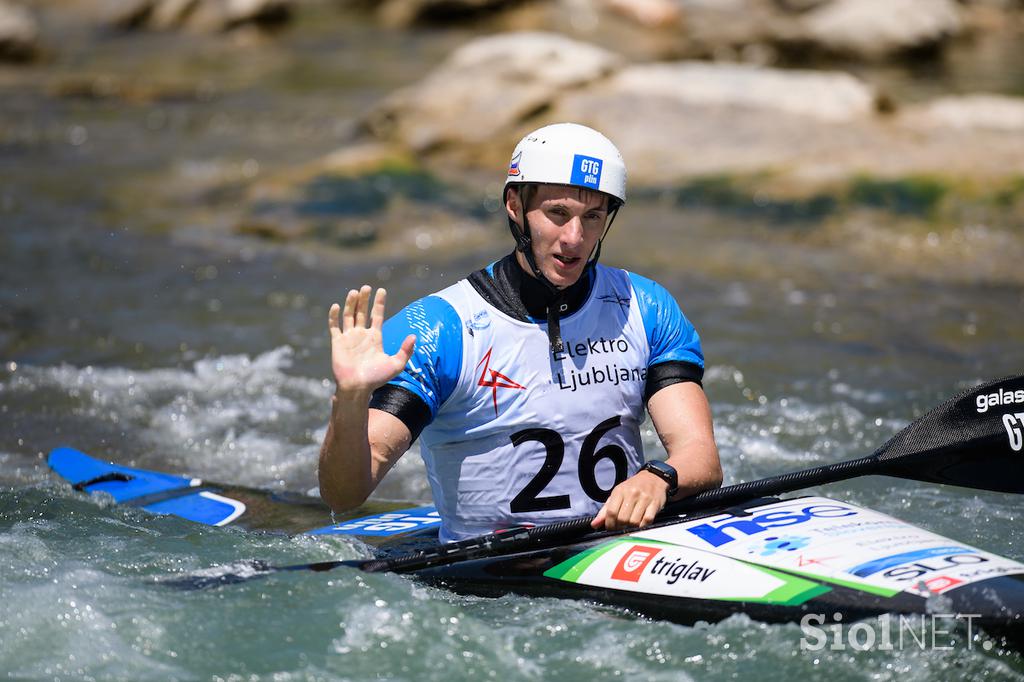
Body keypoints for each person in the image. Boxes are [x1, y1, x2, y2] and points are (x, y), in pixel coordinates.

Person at [319, 122, 722, 543]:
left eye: (593, 217)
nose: (574, 238)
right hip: (494, 580)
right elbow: (345, 495)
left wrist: (660, 477)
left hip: (613, 550)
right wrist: (349, 399)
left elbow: (701, 457)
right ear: (515, 205)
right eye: (558, 214)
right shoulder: (439, 329)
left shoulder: (646, 307)